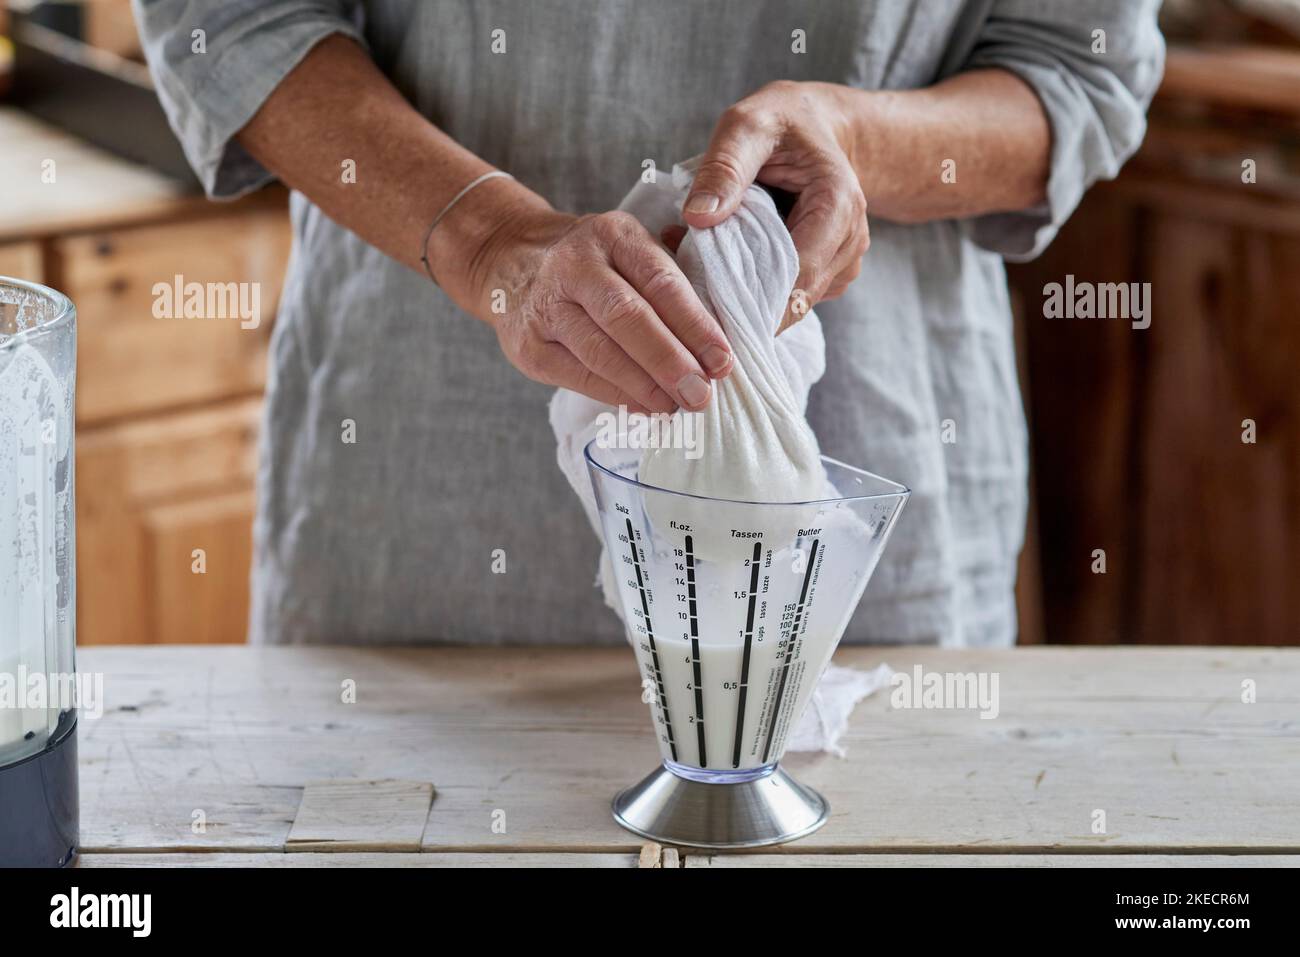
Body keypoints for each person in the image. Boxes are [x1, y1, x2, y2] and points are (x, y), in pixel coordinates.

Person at [134, 0, 1164, 647]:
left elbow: (1079, 67)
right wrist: (487, 238)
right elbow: (225, 18)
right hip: (422, 525)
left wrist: (861, 142)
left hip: (859, 549)